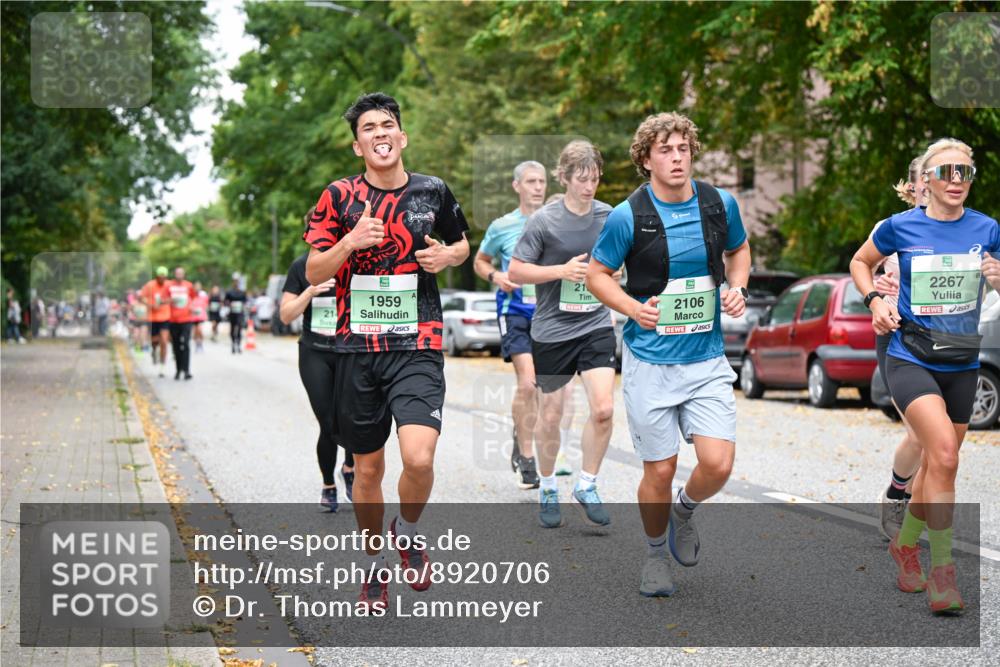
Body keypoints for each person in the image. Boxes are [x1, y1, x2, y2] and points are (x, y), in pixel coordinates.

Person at [304, 92, 470, 610]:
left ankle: (410, 530)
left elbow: (464, 243)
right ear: (359, 146)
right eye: (370, 127)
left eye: (388, 124)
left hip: (417, 344)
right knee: (369, 469)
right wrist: (349, 242)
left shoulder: (433, 191)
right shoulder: (338, 197)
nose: (380, 132)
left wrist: (448, 254)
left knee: (419, 457)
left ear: (402, 138)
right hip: (356, 351)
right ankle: (373, 566)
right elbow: (313, 272)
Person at [588, 112, 751, 597]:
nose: (676, 157)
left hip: (705, 358)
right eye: (665, 150)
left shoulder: (720, 204)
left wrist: (737, 287)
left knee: (718, 464)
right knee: (658, 470)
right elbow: (597, 275)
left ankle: (684, 511)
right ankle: (656, 554)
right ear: (646, 158)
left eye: (683, 148)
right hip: (650, 362)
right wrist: (635, 309)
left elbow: (738, 252)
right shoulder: (626, 216)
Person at [851, 137, 999, 615]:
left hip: (963, 358)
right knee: (944, 454)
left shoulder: (988, 229)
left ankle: (905, 544)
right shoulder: (899, 227)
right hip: (910, 354)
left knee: (940, 467)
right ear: (926, 181)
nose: (957, 181)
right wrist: (875, 301)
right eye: (947, 172)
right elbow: (860, 261)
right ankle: (942, 574)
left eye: (965, 173)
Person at [508, 139, 617, 529]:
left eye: (596, 179)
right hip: (553, 331)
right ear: (566, 178)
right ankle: (549, 486)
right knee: (551, 415)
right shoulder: (545, 221)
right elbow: (517, 271)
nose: (590, 187)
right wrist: (560, 271)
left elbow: (624, 261)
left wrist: (614, 276)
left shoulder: (609, 216)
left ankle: (586, 484)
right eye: (582, 179)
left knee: (603, 408)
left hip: (595, 325)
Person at [474, 160, 548, 489]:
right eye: (531, 181)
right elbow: (480, 260)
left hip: (550, 313)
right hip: (515, 309)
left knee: (548, 390)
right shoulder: (502, 226)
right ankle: (527, 457)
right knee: (528, 384)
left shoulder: (558, 221)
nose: (538, 187)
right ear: (517, 186)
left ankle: (522, 435)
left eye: (542, 181)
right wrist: (495, 276)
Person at [871, 157, 927, 541]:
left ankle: (912, 500)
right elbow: (863, 268)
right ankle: (896, 495)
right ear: (913, 186)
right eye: (927, 177)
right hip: (896, 337)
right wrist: (878, 293)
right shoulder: (891, 228)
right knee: (921, 433)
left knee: (940, 439)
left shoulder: (964, 231)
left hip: (945, 338)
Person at [280, 237, 356, 513]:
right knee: (328, 421)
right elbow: (286, 315)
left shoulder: (355, 261)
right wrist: (309, 292)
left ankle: (349, 468)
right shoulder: (301, 267)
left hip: (349, 351)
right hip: (315, 352)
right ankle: (328, 485)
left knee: (351, 417)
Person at [142, 266, 173, 376]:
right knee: (155, 341)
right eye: (160, 277)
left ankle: (162, 367)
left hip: (165, 316)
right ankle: (154, 350)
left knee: (164, 341)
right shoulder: (150, 285)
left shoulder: (169, 285)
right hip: (152, 317)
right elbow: (143, 297)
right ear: (157, 276)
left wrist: (165, 301)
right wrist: (150, 304)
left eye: (164, 277)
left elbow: (173, 297)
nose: (162, 279)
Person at [167, 267, 197, 380]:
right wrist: (170, 301)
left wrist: (192, 306)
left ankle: (186, 370)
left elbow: (193, 298)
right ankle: (178, 369)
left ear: (184, 275)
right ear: (174, 274)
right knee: (176, 345)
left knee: (186, 344)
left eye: (181, 273)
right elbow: (164, 300)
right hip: (173, 319)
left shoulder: (189, 285)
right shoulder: (169, 285)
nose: (179, 275)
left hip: (186, 319)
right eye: (177, 273)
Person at [225, 276, 248, 354]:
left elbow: (245, 301)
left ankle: (238, 344)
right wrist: (229, 304)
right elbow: (225, 301)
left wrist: (243, 305)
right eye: (235, 282)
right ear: (233, 283)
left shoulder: (242, 292)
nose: (236, 284)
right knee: (232, 329)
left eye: (237, 282)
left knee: (239, 328)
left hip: (240, 313)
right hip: (232, 313)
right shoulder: (229, 292)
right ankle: (233, 343)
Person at [191, 282, 208, 352]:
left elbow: (206, 304)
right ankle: (197, 344)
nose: (197, 288)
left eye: (199, 286)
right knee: (195, 331)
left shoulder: (203, 294)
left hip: (201, 315)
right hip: (193, 315)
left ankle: (200, 343)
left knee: (199, 330)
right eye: (196, 286)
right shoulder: (192, 294)